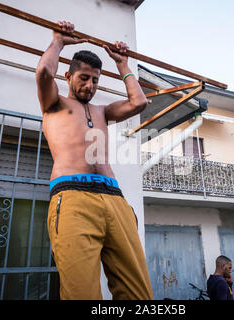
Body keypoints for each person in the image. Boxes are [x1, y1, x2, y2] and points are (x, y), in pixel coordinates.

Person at [36, 20, 153, 300]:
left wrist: (123, 64)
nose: (90, 86)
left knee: (139, 294)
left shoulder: (102, 111)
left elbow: (139, 102)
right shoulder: (54, 105)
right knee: (81, 293)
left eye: (95, 80)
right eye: (84, 78)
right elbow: (43, 72)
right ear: (68, 76)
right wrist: (59, 42)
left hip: (114, 199)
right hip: (73, 196)